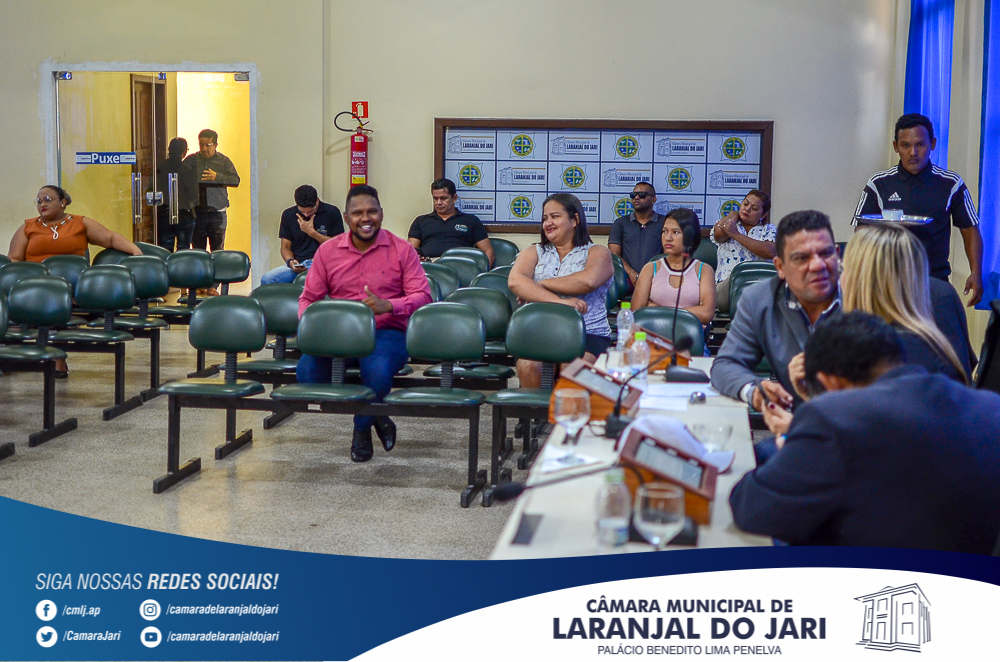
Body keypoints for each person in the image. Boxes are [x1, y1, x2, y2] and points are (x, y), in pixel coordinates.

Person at [729, 311, 1000, 553]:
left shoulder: (834, 418)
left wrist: (791, 441)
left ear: (829, 382)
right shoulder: (990, 407)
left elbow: (753, 508)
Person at [297, 185, 431, 463]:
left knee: (377, 372)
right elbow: (308, 298)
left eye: (372, 211)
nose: (365, 218)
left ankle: (361, 429)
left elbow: (423, 296)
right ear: (347, 218)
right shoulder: (328, 251)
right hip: (339, 334)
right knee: (307, 374)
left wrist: (389, 305)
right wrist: (310, 327)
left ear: (381, 213)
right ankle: (377, 413)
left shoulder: (402, 250)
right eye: (357, 213)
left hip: (386, 331)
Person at [710, 210, 840, 414]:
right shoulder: (759, 299)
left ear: (837, 254)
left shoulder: (862, 296)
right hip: (794, 419)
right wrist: (754, 392)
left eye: (826, 253)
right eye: (802, 258)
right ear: (780, 267)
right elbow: (726, 365)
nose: (817, 265)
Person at [8, 185, 142, 378]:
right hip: (37, 287)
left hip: (71, 289)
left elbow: (110, 238)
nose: (42, 204)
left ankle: (57, 358)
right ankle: (15, 355)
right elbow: (13, 259)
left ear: (63, 202)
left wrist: (136, 252)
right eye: (39, 200)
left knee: (56, 302)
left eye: (47, 199)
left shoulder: (80, 223)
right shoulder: (28, 227)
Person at [854, 113, 984, 306]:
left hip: (934, 282)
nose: (913, 152)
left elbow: (970, 230)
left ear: (932, 144)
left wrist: (976, 272)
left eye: (920, 144)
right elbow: (861, 230)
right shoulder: (878, 183)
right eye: (905, 145)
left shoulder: (951, 183)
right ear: (896, 146)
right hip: (888, 282)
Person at [508, 193, 614, 388]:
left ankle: (569, 409)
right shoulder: (533, 251)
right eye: (545, 218)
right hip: (540, 330)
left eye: (555, 216)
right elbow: (516, 282)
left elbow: (587, 281)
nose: (548, 223)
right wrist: (562, 302)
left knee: (571, 368)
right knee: (528, 366)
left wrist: (541, 284)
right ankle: (535, 409)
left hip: (587, 333)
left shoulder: (598, 252)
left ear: (575, 220)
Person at [840, 224, 970, 383]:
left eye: (844, 268)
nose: (841, 277)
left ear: (863, 280)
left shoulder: (888, 352)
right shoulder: (929, 340)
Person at [630, 207, 716, 325]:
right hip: (652, 332)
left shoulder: (704, 270)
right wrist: (690, 312)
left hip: (688, 333)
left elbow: (706, 313)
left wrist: (656, 308)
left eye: (675, 232)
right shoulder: (650, 268)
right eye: (664, 231)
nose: (668, 238)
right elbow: (637, 312)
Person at [259, 185, 344, 285]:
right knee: (267, 279)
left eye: (310, 211)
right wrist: (290, 261)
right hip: (299, 263)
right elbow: (285, 247)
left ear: (317, 201)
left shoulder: (331, 212)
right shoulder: (288, 215)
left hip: (324, 263)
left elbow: (337, 245)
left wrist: (312, 233)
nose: (306, 214)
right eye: (303, 211)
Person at [710, 189, 775, 313]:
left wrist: (735, 234)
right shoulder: (729, 223)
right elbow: (718, 235)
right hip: (725, 291)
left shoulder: (768, 229)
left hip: (759, 288)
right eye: (745, 204)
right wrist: (733, 215)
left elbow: (770, 252)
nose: (747, 209)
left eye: (754, 208)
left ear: (763, 215)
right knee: (739, 277)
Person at [407, 178, 494, 265]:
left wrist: (480, 272)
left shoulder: (471, 220)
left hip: (461, 266)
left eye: (443, 198)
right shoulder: (421, 221)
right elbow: (409, 252)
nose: (439, 203)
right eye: (435, 198)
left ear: (454, 198)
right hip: (430, 266)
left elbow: (488, 252)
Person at [183, 128, 240, 254]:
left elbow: (235, 180)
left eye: (208, 145)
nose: (204, 149)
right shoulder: (191, 160)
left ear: (215, 145)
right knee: (198, 251)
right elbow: (180, 179)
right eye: (201, 145)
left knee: (218, 251)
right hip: (197, 212)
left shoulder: (223, 161)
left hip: (217, 213)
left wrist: (217, 177)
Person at [607, 182, 666, 293]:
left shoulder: (665, 223)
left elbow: (669, 254)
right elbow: (614, 254)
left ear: (653, 199)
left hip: (657, 280)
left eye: (642, 195)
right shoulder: (620, 223)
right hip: (626, 280)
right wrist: (631, 273)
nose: (636, 197)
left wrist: (649, 276)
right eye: (633, 195)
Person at [155, 137, 196, 252]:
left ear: (169, 150)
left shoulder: (160, 168)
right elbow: (193, 195)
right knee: (183, 251)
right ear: (184, 152)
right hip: (184, 214)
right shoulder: (187, 169)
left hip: (164, 213)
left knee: (165, 250)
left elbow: (153, 190)